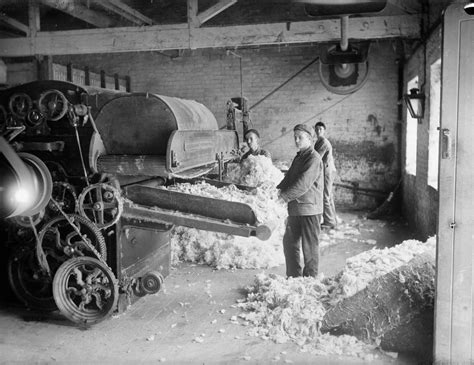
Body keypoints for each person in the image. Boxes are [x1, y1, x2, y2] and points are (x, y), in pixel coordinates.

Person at [277, 124, 323, 278]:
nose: (296, 140)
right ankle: (293, 277)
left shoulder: (314, 158)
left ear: (309, 139)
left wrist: (283, 197)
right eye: (294, 137)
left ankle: (309, 281)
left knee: (309, 249)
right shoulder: (299, 157)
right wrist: (275, 190)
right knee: (290, 244)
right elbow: (289, 177)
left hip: (310, 209)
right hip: (295, 208)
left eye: (300, 137)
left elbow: (303, 183)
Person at [314, 121, 337, 229]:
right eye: (317, 129)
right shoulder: (318, 141)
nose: (318, 131)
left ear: (324, 131)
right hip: (328, 170)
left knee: (325, 196)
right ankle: (332, 220)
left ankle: (329, 222)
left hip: (327, 171)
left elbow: (316, 157)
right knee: (329, 196)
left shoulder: (323, 142)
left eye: (321, 129)